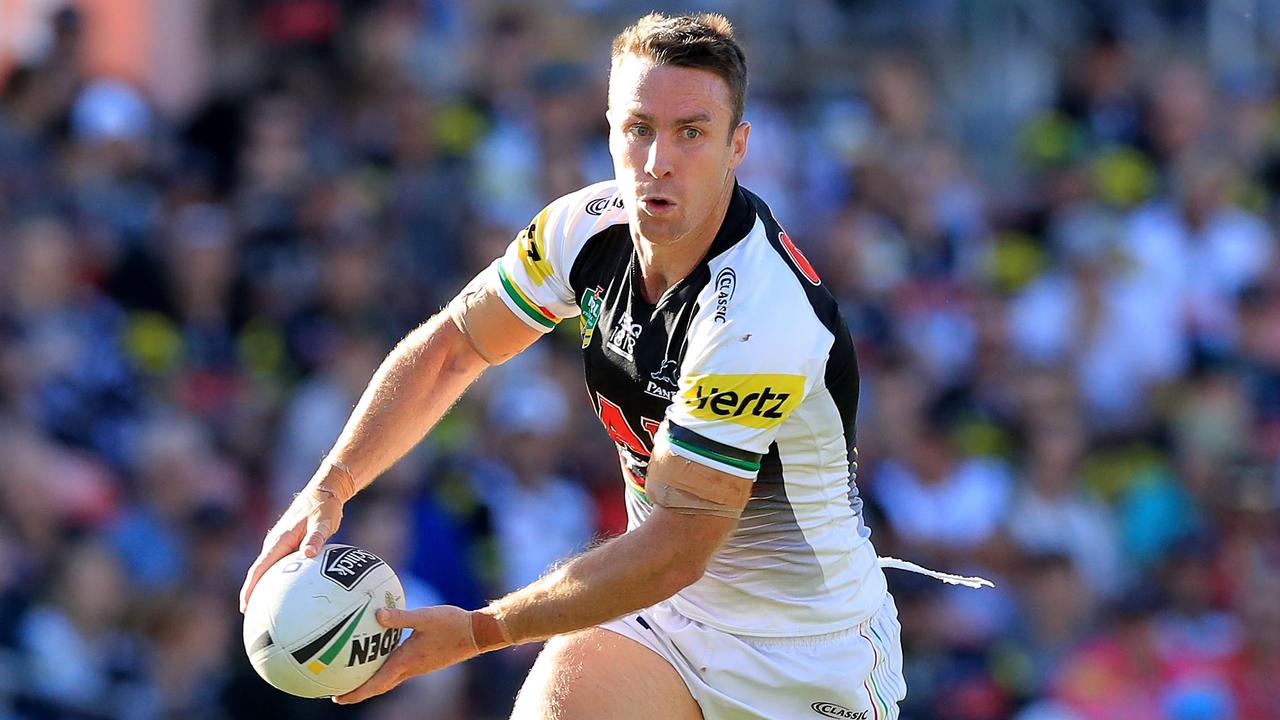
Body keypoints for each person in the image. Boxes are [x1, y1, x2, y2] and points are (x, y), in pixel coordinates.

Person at [240, 12, 979, 718]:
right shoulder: (583, 228)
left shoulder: (760, 316)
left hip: (802, 658)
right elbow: (451, 352)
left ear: (738, 146)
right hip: (655, 615)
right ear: (610, 134)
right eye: (639, 129)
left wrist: (478, 631)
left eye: (692, 133)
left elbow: (676, 547)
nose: (658, 161)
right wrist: (329, 486)